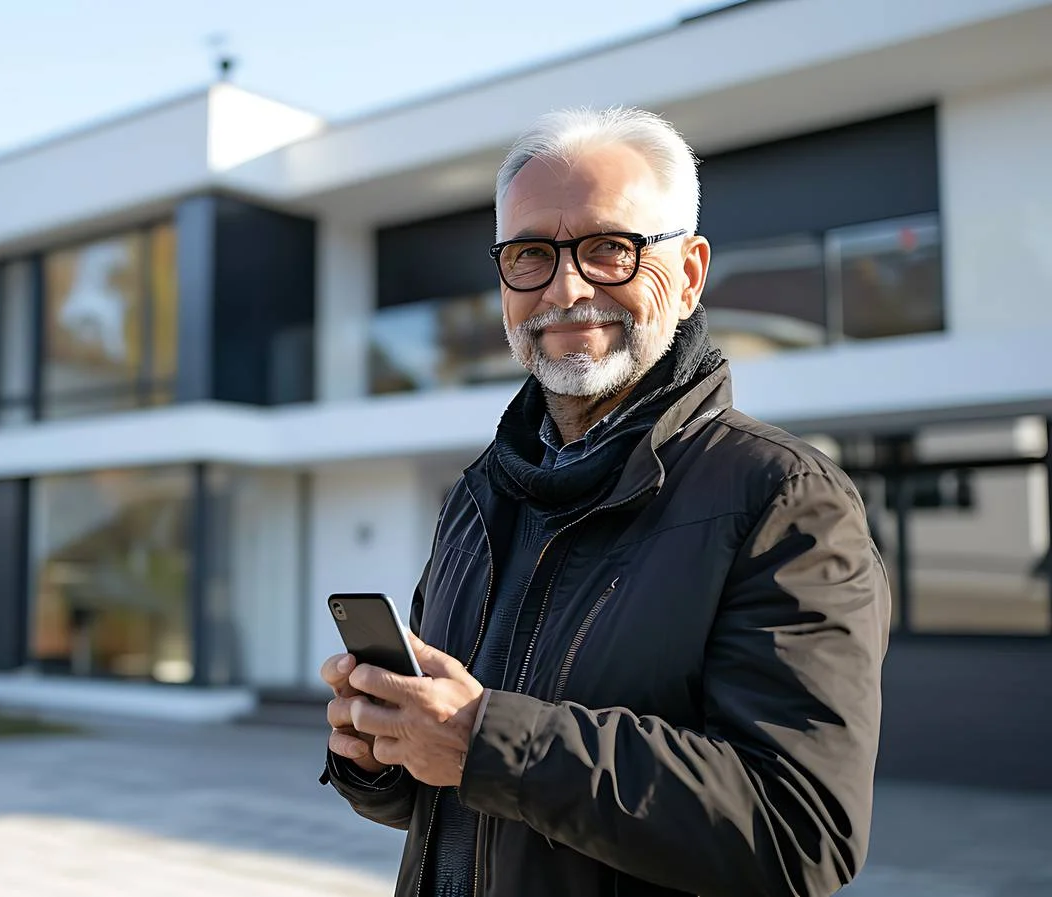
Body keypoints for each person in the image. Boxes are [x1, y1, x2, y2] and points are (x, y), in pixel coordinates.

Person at [319, 106, 890, 897]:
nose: (567, 287)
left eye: (610, 249)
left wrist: (487, 741)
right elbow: (460, 799)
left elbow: (799, 830)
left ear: (688, 274)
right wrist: (379, 751)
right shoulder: (479, 496)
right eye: (530, 254)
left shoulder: (784, 500)